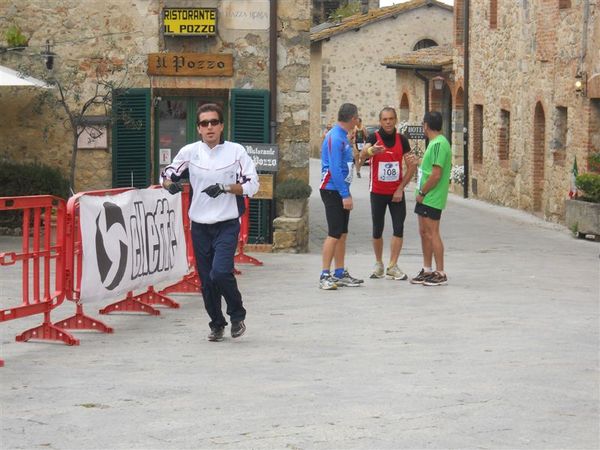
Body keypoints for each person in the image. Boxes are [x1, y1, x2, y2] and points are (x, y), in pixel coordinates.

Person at [161, 103, 259, 341]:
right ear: (198, 129)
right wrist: (170, 185)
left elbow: (253, 185)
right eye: (204, 123)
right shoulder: (189, 152)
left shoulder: (236, 152)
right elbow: (167, 174)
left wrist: (226, 188)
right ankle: (217, 323)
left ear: (222, 125)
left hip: (226, 223)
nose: (210, 127)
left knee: (220, 272)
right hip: (200, 226)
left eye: (214, 122)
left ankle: (237, 315)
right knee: (206, 281)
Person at [359, 107, 417, 281]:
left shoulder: (402, 140)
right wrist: (371, 152)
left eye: (391, 119)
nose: (388, 122)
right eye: (385, 119)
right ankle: (378, 264)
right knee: (378, 229)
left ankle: (392, 265)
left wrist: (400, 188)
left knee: (398, 228)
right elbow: (362, 155)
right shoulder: (373, 138)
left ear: (396, 120)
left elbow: (412, 166)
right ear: (380, 121)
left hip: (396, 194)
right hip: (377, 192)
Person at [319, 103, 364, 290]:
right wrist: (345, 194)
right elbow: (335, 169)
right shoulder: (335, 138)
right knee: (334, 233)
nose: (358, 121)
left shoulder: (343, 137)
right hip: (332, 189)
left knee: (342, 233)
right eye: (357, 118)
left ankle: (339, 273)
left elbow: (350, 161)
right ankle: (324, 275)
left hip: (340, 188)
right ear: (353, 118)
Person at [410, 111, 452, 286]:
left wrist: (422, 193)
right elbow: (430, 168)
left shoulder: (438, 145)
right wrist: (420, 161)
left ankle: (440, 271)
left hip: (431, 196)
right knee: (424, 233)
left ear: (426, 125)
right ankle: (427, 269)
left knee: (433, 232)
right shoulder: (435, 143)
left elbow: (436, 175)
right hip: (427, 197)